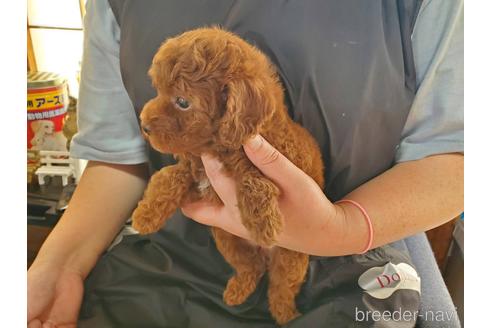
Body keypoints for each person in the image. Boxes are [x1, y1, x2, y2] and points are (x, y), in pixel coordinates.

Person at [27, 0, 463, 327]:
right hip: (169, 262)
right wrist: (56, 267)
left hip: (351, 263)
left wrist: (340, 228)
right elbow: (116, 159)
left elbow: (456, 156)